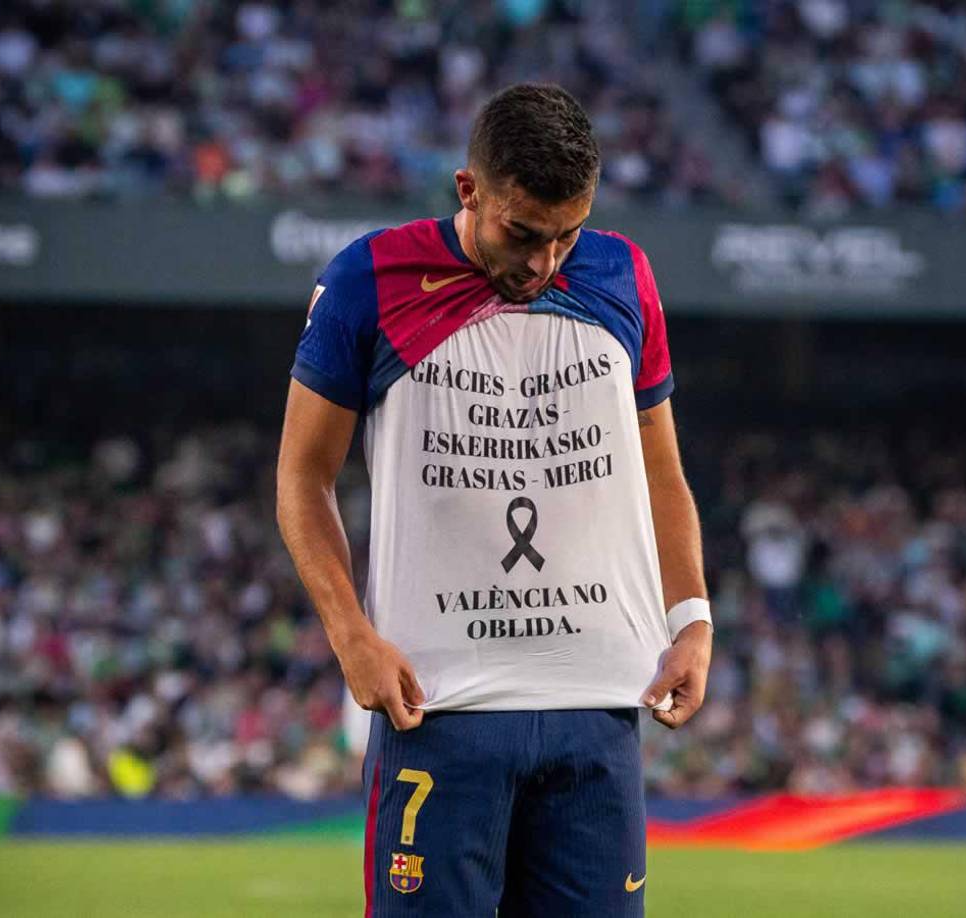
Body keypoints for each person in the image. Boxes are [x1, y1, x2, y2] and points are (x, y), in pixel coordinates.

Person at [276, 83, 710, 917]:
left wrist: (692, 616)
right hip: (441, 707)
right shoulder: (370, 279)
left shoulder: (622, 274)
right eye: (524, 233)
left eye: (566, 236)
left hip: (599, 709)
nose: (546, 263)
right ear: (468, 190)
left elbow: (662, 473)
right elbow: (301, 477)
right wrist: (350, 635)